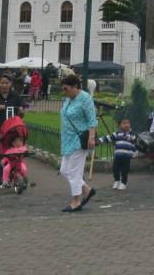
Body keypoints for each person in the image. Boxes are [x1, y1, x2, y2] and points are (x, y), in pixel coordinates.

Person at [59, 74, 97, 212]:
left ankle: (76, 201)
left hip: (79, 139)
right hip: (67, 140)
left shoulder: (85, 99)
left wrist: (91, 137)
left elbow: (92, 119)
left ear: (75, 87)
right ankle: (87, 189)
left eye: (66, 89)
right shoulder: (68, 99)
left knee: (75, 172)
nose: (64, 92)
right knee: (64, 170)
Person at [0, 72, 25, 189]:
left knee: (10, 153)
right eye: (2, 83)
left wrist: (22, 111)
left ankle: (8, 174)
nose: (4, 85)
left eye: (7, 83)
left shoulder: (15, 96)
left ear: (10, 84)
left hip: (10, 131)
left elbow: (21, 109)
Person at [97, 117, 138, 190]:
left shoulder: (132, 134)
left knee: (125, 170)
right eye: (124, 123)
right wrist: (99, 140)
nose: (126, 125)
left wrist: (134, 152)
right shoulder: (117, 134)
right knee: (115, 169)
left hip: (127, 156)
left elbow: (134, 144)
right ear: (120, 125)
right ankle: (117, 180)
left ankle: (123, 183)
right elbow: (108, 138)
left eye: (128, 123)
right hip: (118, 156)